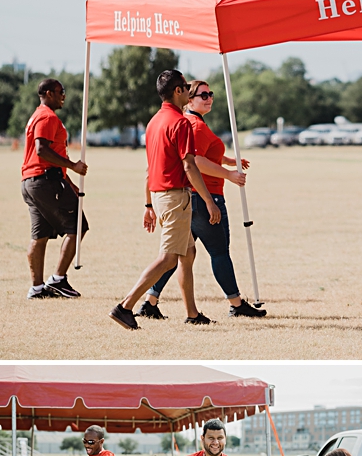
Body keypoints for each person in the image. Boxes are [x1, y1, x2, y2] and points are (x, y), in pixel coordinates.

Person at [138, 80, 266, 321]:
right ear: (188, 98)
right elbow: (195, 161)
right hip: (203, 197)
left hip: (190, 198)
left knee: (175, 255)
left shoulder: (192, 123)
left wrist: (225, 161)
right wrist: (228, 175)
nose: (209, 98)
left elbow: (201, 155)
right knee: (219, 252)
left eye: (211, 94)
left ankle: (150, 301)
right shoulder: (193, 125)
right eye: (202, 94)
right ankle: (236, 304)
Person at [110, 70, 221, 331]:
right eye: (185, 86)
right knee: (169, 258)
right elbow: (190, 166)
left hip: (161, 198)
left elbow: (150, 168)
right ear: (178, 91)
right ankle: (125, 306)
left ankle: (192, 313)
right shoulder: (181, 122)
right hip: (175, 198)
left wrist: (149, 204)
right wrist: (208, 200)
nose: (188, 90)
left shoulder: (153, 122)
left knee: (188, 253)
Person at [21, 78, 89, 301]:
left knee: (39, 235)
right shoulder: (47, 117)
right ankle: (58, 280)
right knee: (78, 225)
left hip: (31, 182)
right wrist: (72, 166)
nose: (64, 96)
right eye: (61, 91)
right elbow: (41, 150)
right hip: (45, 181)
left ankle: (37, 288)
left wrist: (68, 179)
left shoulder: (36, 116)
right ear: (48, 93)